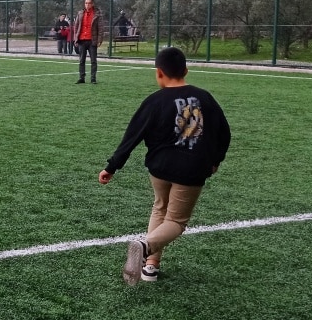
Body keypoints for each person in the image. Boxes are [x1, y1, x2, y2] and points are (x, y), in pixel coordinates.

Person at [99, 46, 231, 285]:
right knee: (177, 222)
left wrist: (112, 167)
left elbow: (132, 136)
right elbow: (224, 133)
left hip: (159, 168)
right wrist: (215, 160)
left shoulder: (154, 101)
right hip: (191, 169)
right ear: (186, 70)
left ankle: (151, 266)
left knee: (160, 208)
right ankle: (144, 246)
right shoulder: (205, 97)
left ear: (159, 72)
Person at [71, 0, 104, 84]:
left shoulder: (97, 14)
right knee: (81, 60)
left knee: (93, 60)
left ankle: (93, 78)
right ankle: (82, 78)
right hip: (82, 40)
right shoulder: (80, 13)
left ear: (92, 4)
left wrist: (99, 39)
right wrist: (76, 39)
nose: (87, 5)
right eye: (86, 3)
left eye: (89, 3)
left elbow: (100, 28)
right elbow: (76, 26)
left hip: (92, 40)